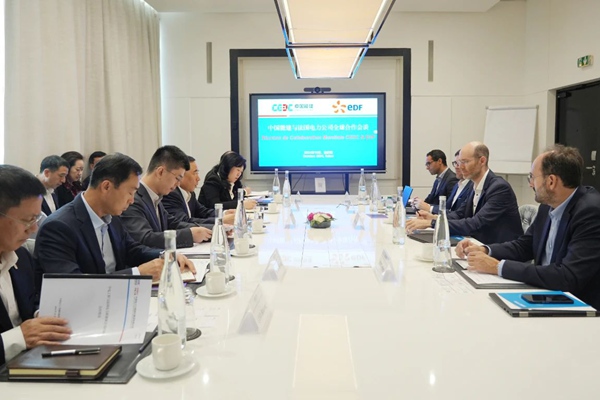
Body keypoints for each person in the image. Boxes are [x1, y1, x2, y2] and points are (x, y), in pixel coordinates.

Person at [456, 145, 600, 308]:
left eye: (532, 177)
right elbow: (525, 245)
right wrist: (485, 249)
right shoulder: (547, 205)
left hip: (580, 307)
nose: (531, 184)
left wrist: (497, 267)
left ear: (551, 181)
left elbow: (567, 276)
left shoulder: (590, 212)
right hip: (544, 294)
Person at [34, 153, 195, 285]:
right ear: (106, 186)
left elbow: (132, 250)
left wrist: (165, 255)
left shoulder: (112, 216)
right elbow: (73, 285)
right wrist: (137, 273)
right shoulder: (58, 227)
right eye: (130, 192)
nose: (132, 200)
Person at [0, 165, 71, 365]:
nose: (34, 229)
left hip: (32, 361)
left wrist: (44, 317)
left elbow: (30, 305)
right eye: (28, 220)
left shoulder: (21, 257)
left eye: (37, 218)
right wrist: (18, 337)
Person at [407, 142, 522, 244]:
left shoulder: (499, 188)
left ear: (482, 161)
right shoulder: (473, 185)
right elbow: (459, 214)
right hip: (478, 244)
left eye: (465, 162)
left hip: (499, 252)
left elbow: (475, 223)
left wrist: (431, 223)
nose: (460, 167)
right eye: (459, 162)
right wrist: (434, 217)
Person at [120, 146, 212, 249]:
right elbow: (144, 238)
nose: (178, 184)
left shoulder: (156, 197)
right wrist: (189, 235)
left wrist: (212, 229)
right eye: (177, 178)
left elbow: (173, 223)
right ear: (160, 172)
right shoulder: (133, 199)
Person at [162, 156, 235, 226]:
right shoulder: (171, 194)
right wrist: (221, 220)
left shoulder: (190, 193)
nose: (198, 178)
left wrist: (225, 213)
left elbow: (203, 212)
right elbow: (184, 221)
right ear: (181, 175)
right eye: (195, 173)